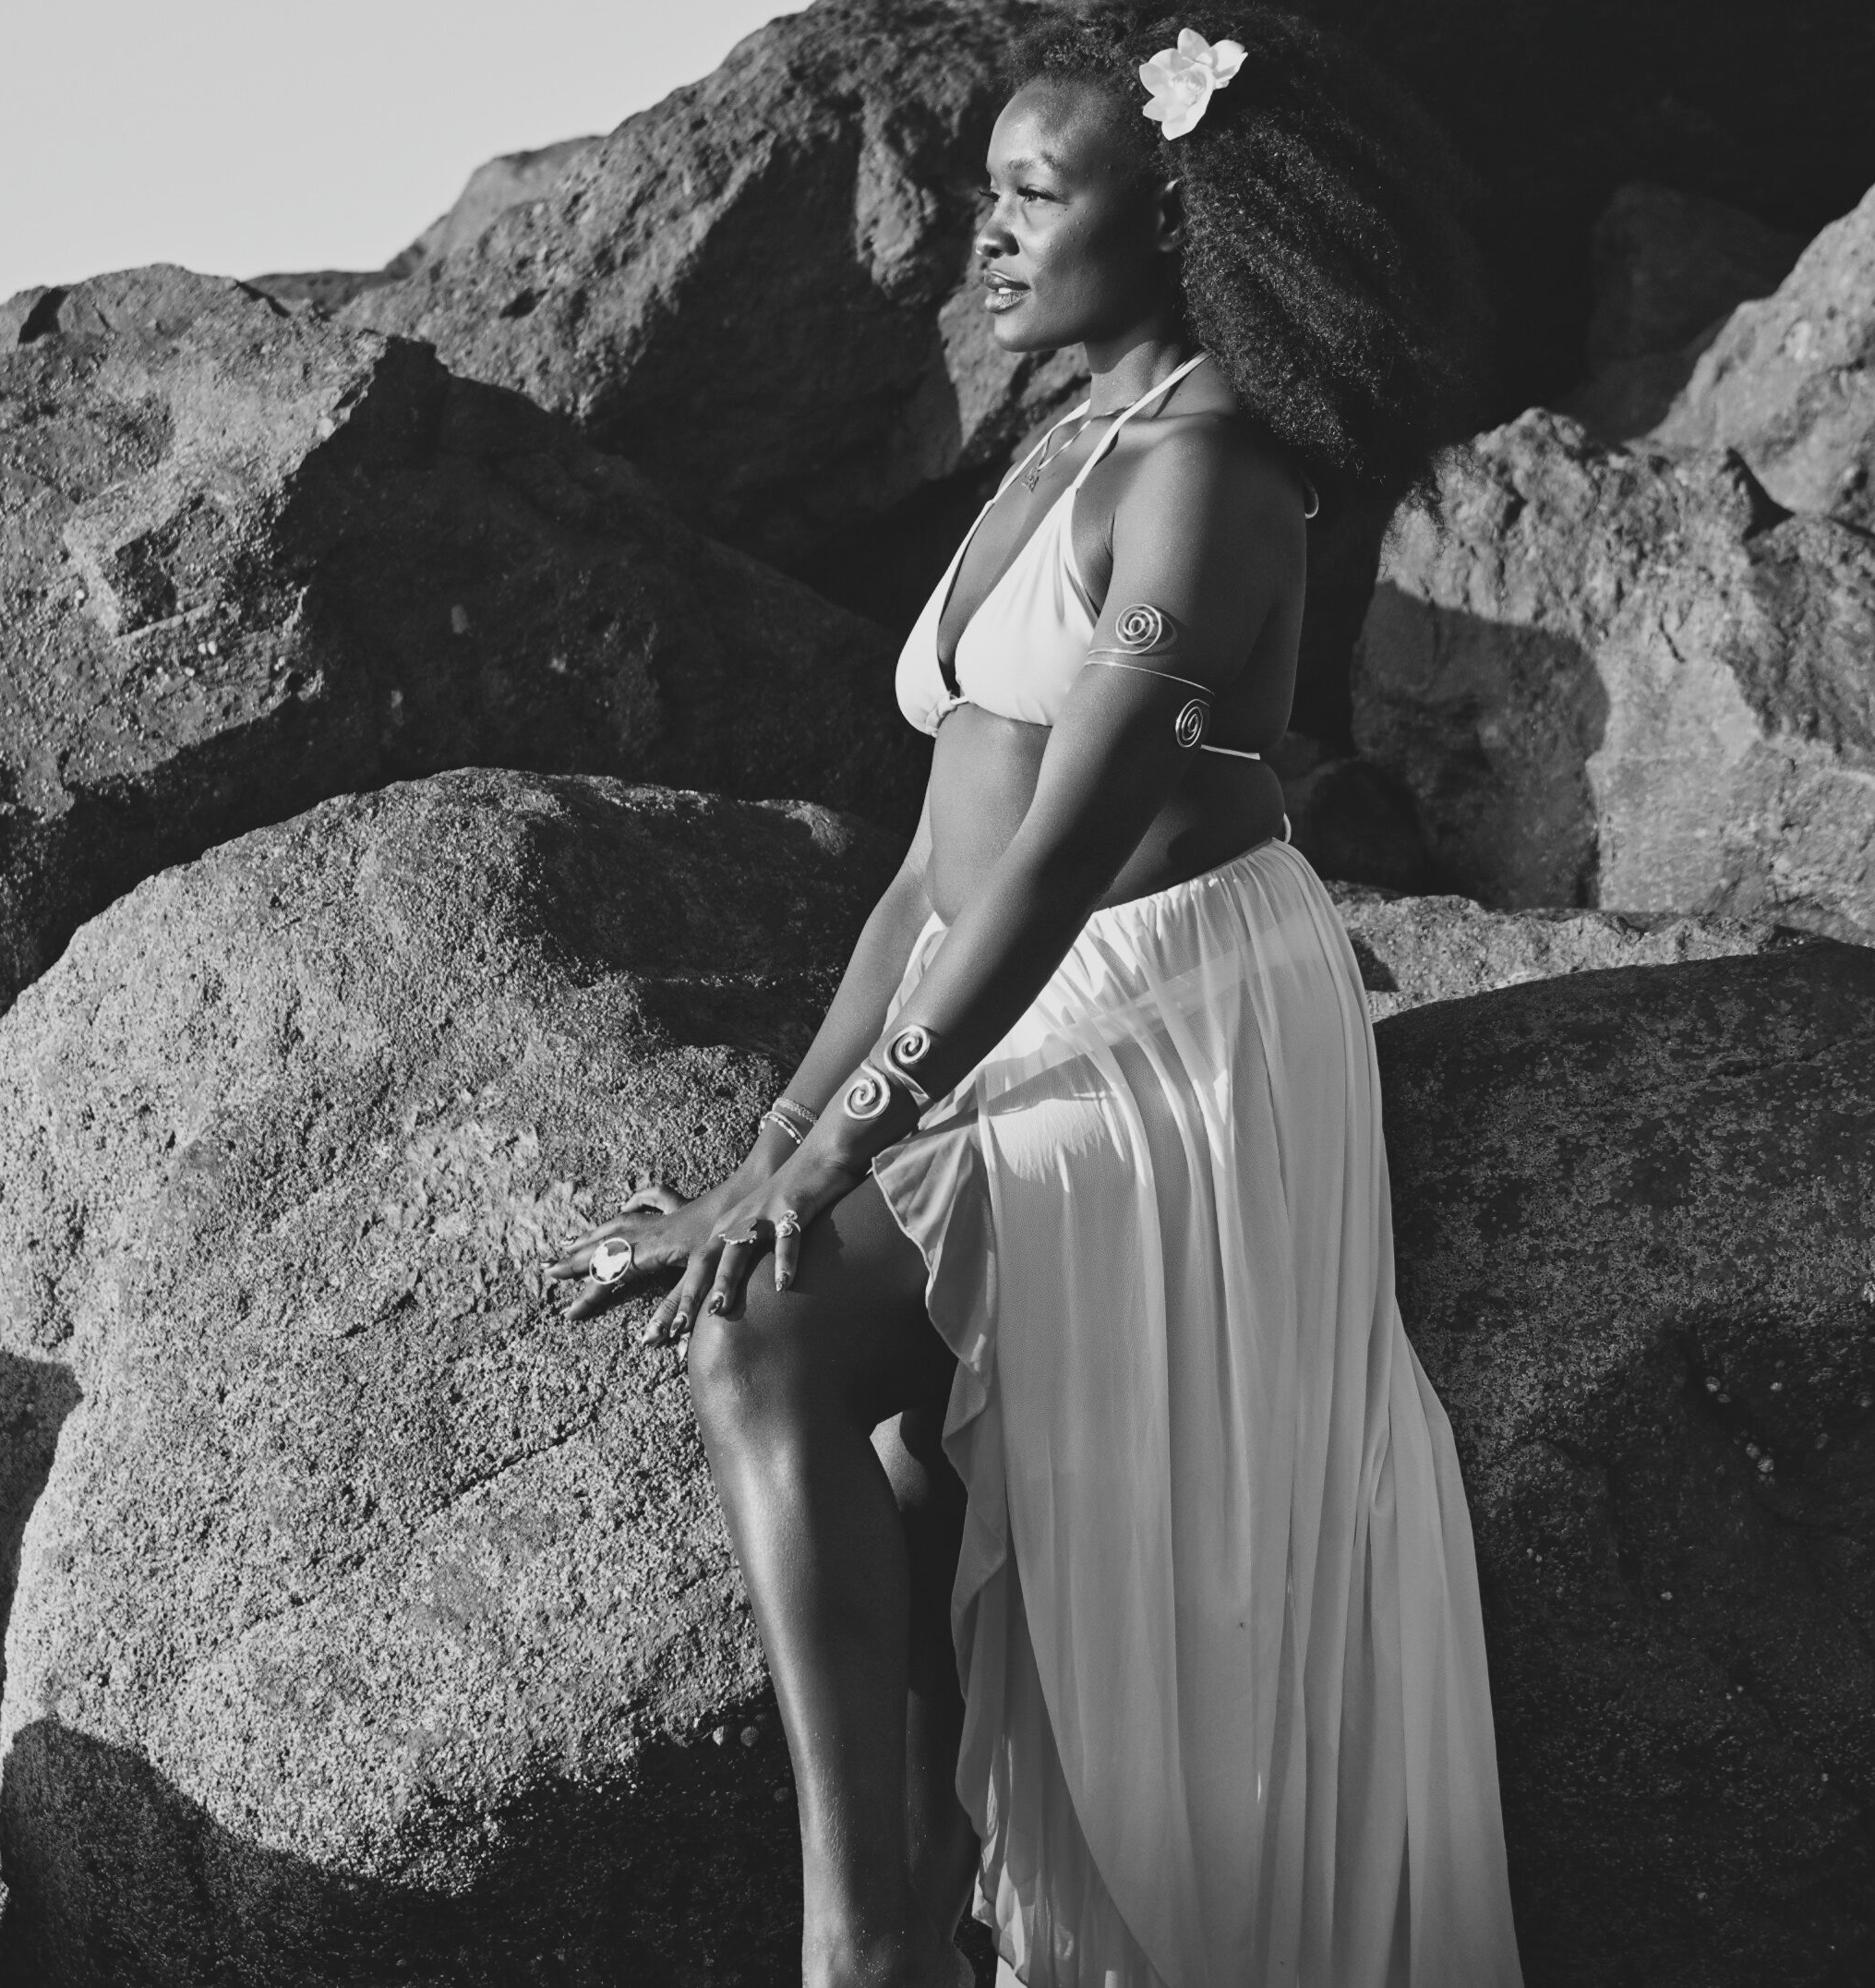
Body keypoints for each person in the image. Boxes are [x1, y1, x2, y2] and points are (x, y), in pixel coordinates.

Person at [551, 7, 1523, 1983]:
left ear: (1165, 223)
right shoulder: (1058, 451)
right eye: (981, 194)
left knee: (766, 1345)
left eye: (1031, 196)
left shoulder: (1213, 471)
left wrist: (849, 1144)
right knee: (820, 1358)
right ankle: (920, 1883)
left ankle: (863, 1937)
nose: (981, 237)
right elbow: (934, 868)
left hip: (1175, 1021)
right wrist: (769, 1149)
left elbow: (1064, 848)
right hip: (1011, 1008)